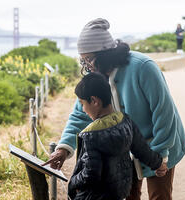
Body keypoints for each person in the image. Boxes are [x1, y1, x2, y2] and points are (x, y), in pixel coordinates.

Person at [45, 18, 185, 200]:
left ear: (105, 54)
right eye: (83, 60)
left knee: (159, 196)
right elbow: (80, 114)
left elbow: (165, 114)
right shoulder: (94, 75)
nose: (86, 66)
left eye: (89, 59)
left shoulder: (143, 67)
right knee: (128, 195)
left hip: (161, 143)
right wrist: (63, 149)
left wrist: (159, 157)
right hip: (126, 149)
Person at [67, 72, 166, 200]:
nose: (83, 109)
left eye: (82, 103)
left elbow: (90, 173)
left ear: (94, 101)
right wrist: (158, 164)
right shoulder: (125, 121)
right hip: (119, 192)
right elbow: (142, 149)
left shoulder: (91, 135)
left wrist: (73, 182)